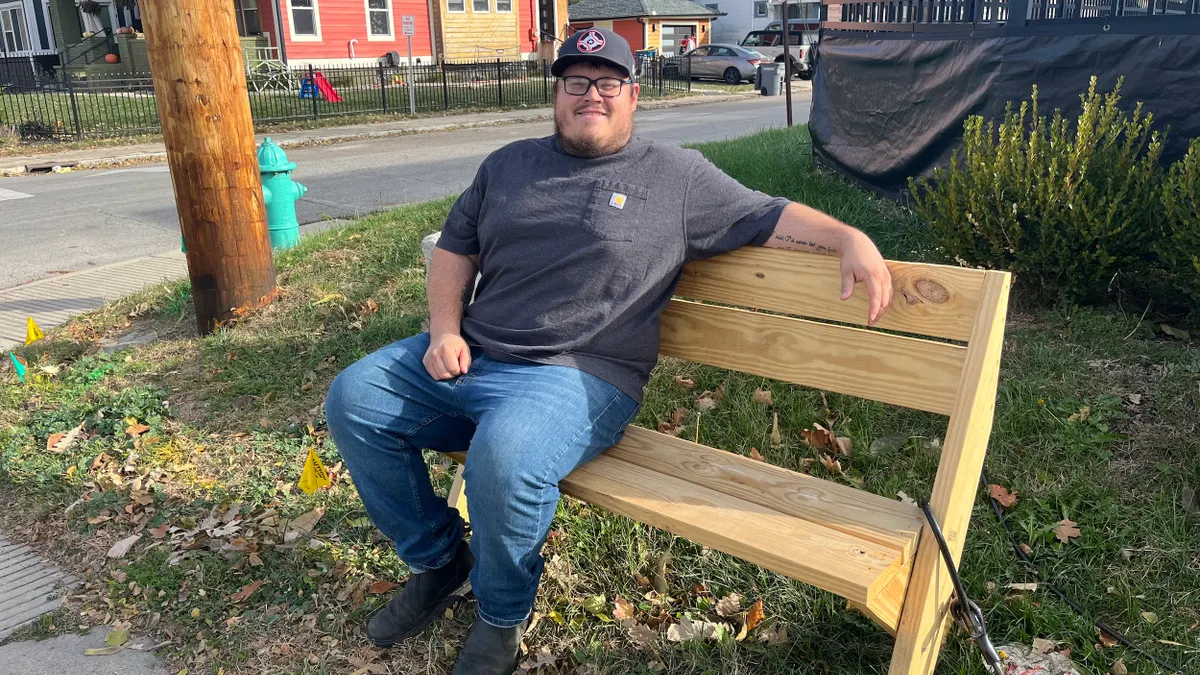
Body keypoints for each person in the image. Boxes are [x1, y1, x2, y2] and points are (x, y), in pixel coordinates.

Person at [324, 27, 892, 675]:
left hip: (581, 377)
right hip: (475, 355)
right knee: (355, 398)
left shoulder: (677, 179)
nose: (590, 94)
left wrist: (847, 237)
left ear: (632, 95)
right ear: (557, 93)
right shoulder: (508, 165)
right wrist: (446, 329)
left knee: (504, 457)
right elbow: (457, 248)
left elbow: (769, 215)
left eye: (607, 82)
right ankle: (437, 558)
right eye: (575, 81)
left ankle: (500, 614)